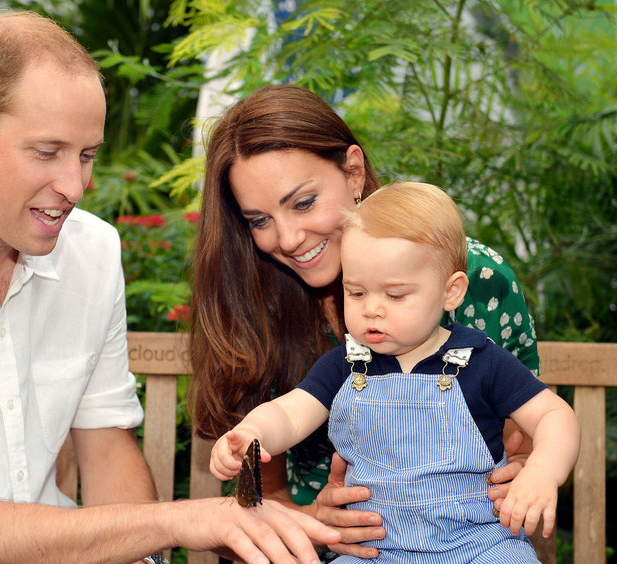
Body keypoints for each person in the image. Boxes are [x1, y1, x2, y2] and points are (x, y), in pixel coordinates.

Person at [0, 12, 341, 564]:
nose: (74, 186)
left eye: (87, 155)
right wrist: (175, 519)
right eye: (47, 152)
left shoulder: (90, 252)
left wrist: (145, 556)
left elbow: (106, 446)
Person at [188, 84, 541, 560]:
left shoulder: (470, 278)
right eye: (258, 220)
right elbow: (255, 507)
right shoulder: (257, 305)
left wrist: (525, 470)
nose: (288, 239)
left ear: (353, 171)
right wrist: (316, 522)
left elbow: (534, 436)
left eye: (304, 202)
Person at [209, 182, 580, 563]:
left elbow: (554, 415)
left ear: (451, 292)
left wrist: (543, 471)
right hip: (372, 549)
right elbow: (288, 413)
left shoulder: (481, 361)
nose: (372, 309)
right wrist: (253, 433)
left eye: (396, 295)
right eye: (356, 292)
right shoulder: (345, 366)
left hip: (479, 542)